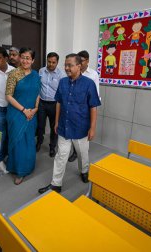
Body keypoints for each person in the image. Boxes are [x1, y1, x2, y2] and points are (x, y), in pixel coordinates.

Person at [38, 53, 101, 194]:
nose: (66, 68)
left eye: (70, 65)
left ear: (79, 66)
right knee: (61, 155)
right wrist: (56, 122)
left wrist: (92, 127)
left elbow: (93, 107)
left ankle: (84, 171)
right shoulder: (63, 82)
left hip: (81, 128)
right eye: (65, 65)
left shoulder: (89, 84)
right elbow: (59, 102)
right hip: (64, 126)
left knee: (82, 153)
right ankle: (56, 184)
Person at [5, 48, 41, 185]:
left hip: (32, 113)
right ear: (19, 58)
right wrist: (24, 110)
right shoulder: (14, 74)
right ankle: (19, 171)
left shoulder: (36, 75)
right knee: (18, 141)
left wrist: (35, 108)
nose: (25, 60)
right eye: (23, 57)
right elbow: (8, 95)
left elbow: (38, 93)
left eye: (28, 58)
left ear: (33, 60)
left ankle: (28, 166)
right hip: (16, 113)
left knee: (29, 141)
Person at [67, 50, 100, 162]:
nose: (80, 63)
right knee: (74, 133)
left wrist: (93, 126)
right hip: (75, 107)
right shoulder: (72, 74)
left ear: (87, 61)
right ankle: (75, 152)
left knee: (84, 134)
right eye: (79, 60)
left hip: (89, 106)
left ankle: (82, 157)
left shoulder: (93, 74)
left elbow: (96, 95)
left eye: (82, 60)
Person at [36, 52, 66, 157]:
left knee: (54, 127)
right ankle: (39, 142)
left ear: (57, 62)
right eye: (49, 62)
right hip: (42, 103)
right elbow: (38, 86)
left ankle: (52, 147)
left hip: (54, 104)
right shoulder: (41, 71)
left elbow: (62, 91)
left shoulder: (62, 75)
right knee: (40, 125)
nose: (51, 64)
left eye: (53, 62)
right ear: (46, 60)